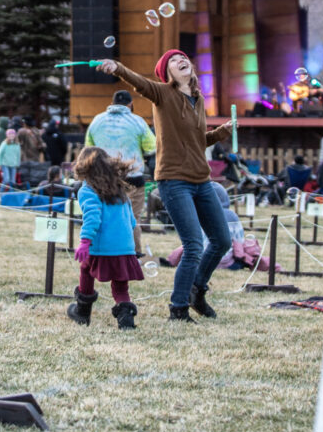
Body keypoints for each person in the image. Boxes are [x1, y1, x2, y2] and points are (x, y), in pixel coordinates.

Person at [96, 49, 234, 322]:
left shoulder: (198, 98)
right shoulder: (162, 93)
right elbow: (139, 83)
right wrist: (118, 68)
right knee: (193, 245)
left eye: (183, 57)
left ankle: (197, 290)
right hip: (174, 180)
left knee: (222, 240)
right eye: (173, 59)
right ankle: (178, 309)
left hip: (202, 180)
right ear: (166, 72)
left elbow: (196, 140)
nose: (181, 60)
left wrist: (221, 132)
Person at [66, 147, 145, 329]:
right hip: (124, 246)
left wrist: (85, 242)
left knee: (86, 269)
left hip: (101, 246)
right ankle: (126, 319)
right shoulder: (119, 190)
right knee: (120, 285)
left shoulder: (87, 190)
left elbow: (92, 217)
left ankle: (82, 312)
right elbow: (132, 220)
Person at [85, 90, 157, 256]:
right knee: (132, 218)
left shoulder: (97, 120)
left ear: (112, 103)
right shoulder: (138, 121)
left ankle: (103, 251)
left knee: (103, 217)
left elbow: (88, 149)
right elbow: (151, 148)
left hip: (102, 178)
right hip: (132, 178)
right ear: (131, 104)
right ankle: (134, 253)